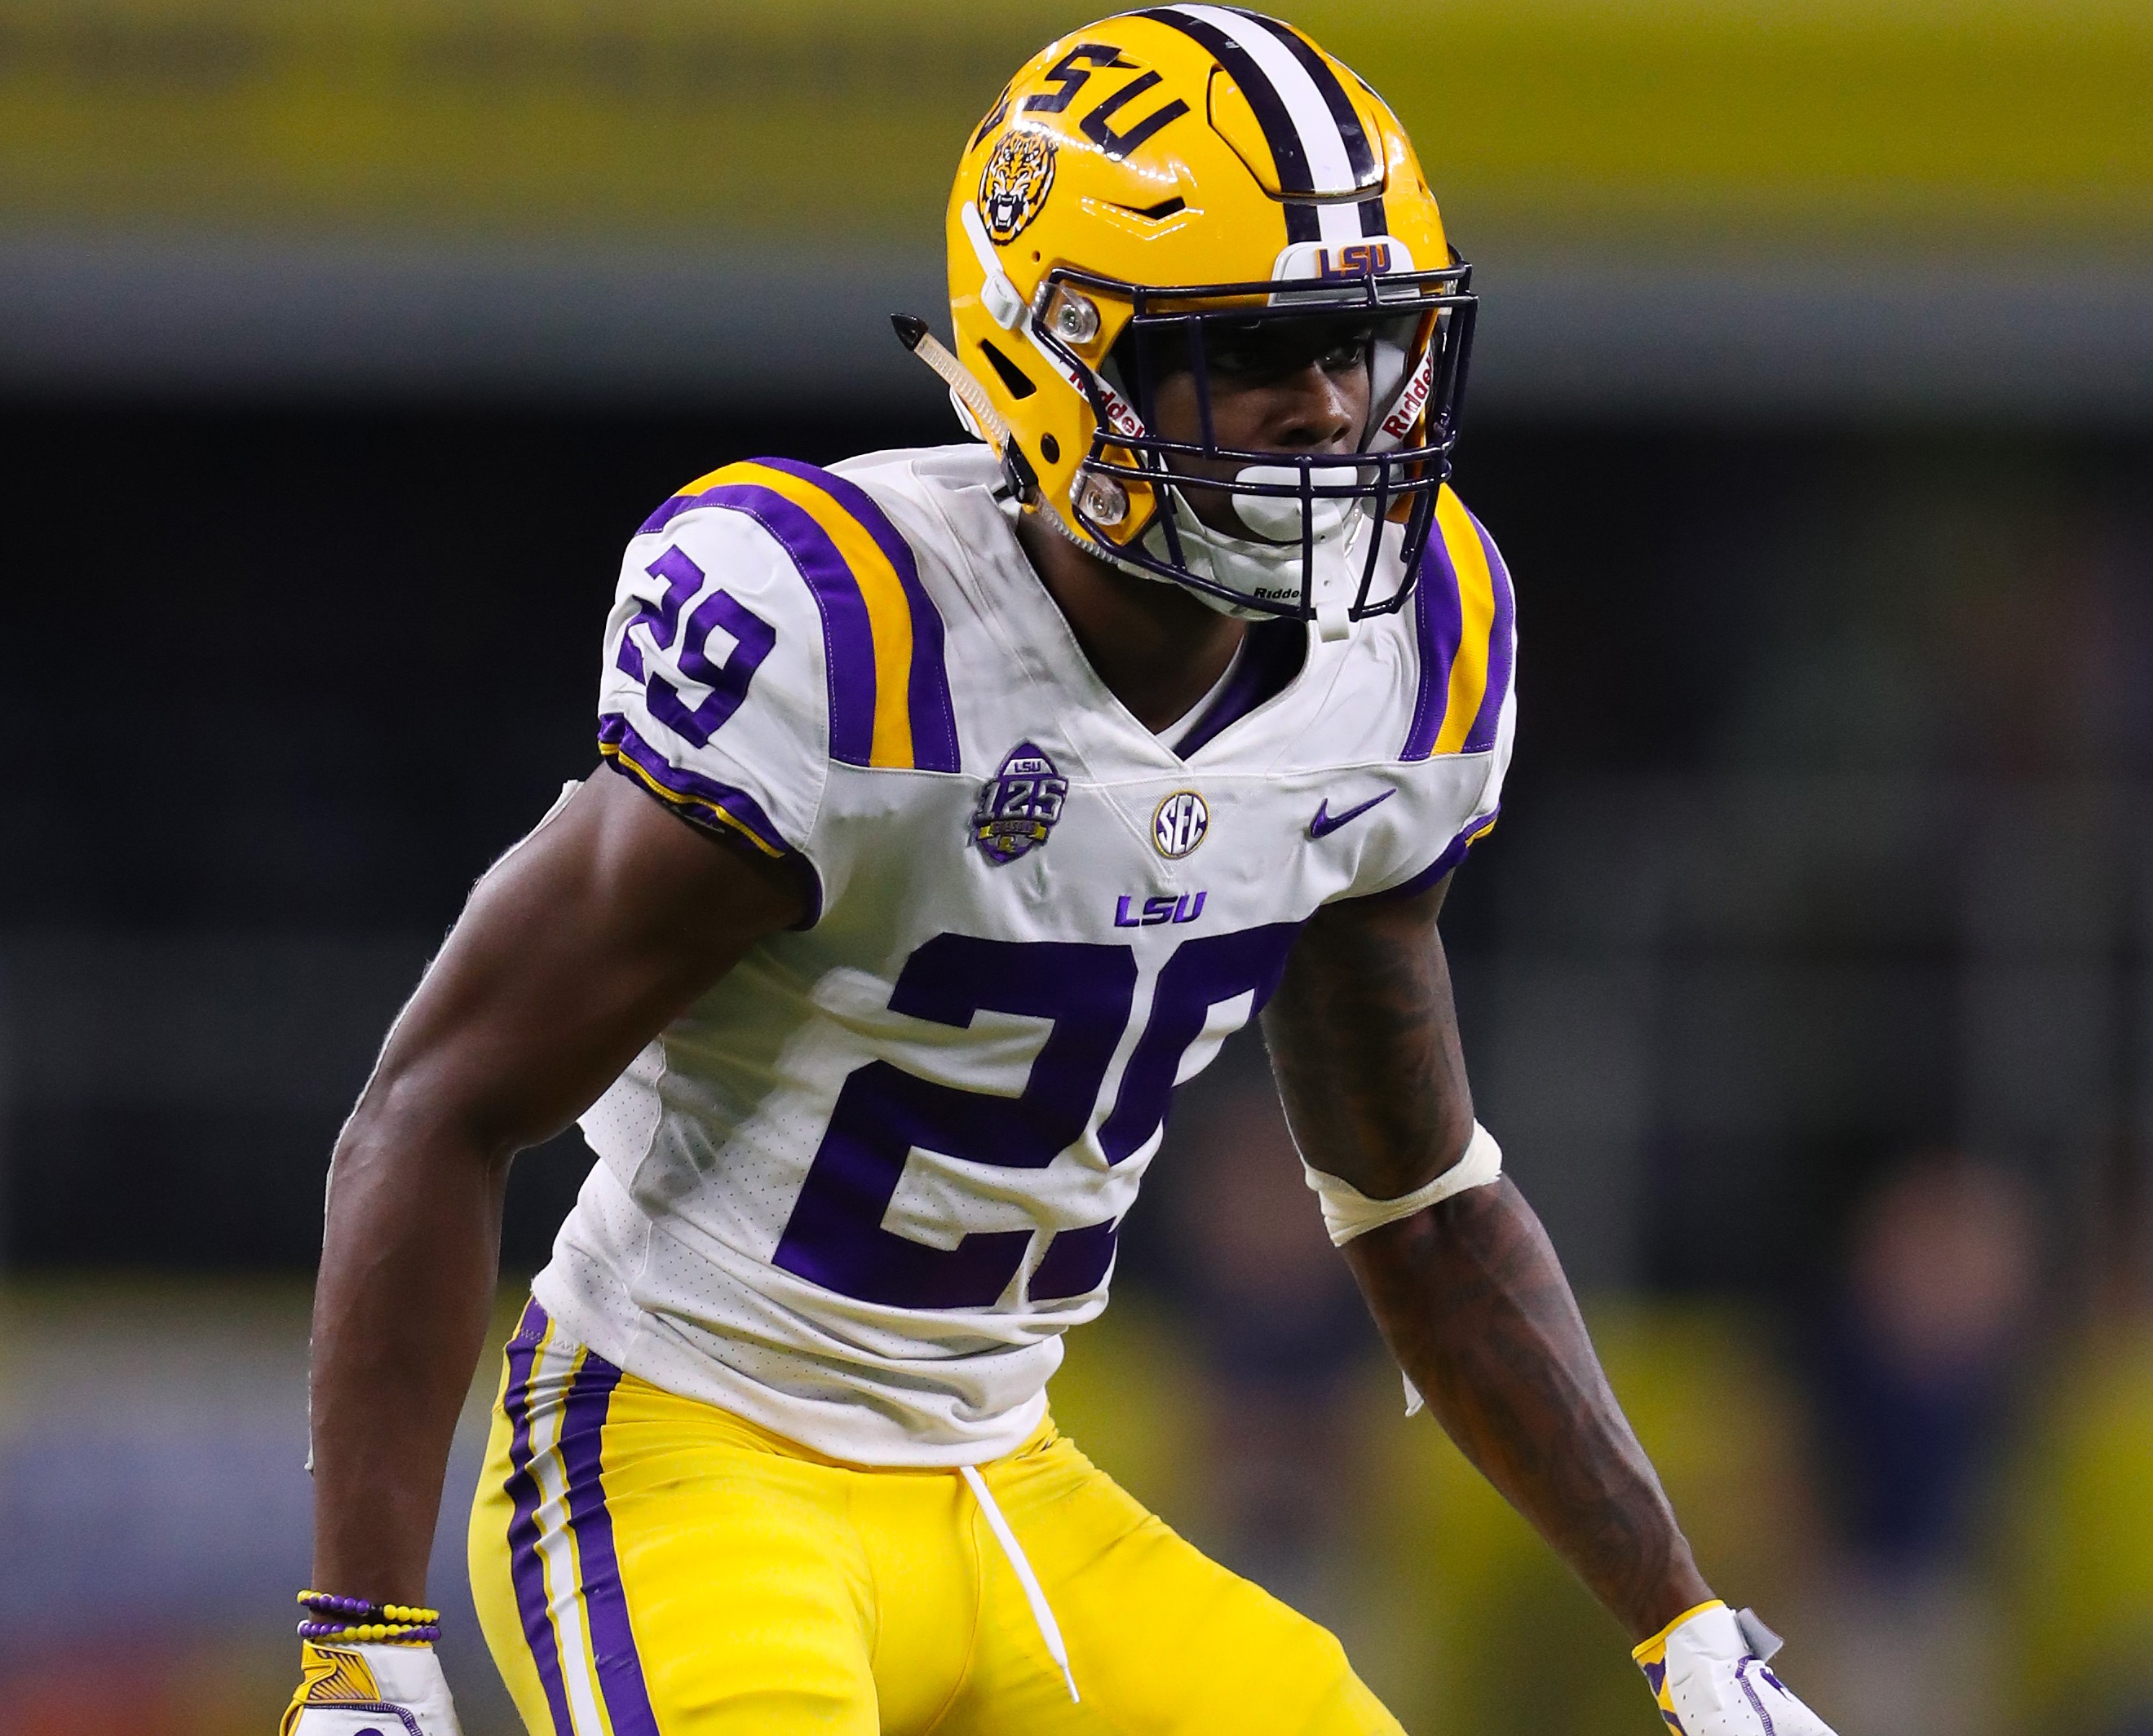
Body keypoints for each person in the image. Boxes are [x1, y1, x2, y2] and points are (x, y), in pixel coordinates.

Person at [281, 10, 1837, 1734]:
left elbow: (1417, 1198)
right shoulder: (853, 641)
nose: (1333, 404)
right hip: (684, 1453)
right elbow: (433, 1110)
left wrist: (1683, 1623)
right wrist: (363, 1643)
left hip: (1000, 1473)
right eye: (1262, 349)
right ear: (1054, 366)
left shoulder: (1415, 647)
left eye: (1367, 342)